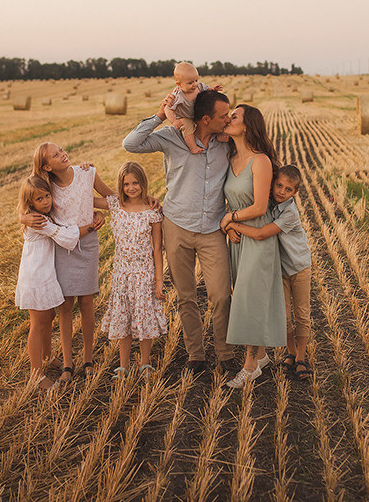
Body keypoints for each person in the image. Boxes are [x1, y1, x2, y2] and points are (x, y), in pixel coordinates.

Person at [122, 89, 240, 375]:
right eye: (223, 115)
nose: (228, 119)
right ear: (204, 118)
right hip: (176, 226)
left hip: (212, 229)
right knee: (186, 296)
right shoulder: (173, 137)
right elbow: (131, 144)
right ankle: (195, 355)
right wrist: (161, 115)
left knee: (221, 295)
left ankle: (225, 354)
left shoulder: (227, 142)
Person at [26, 142, 113, 382]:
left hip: (87, 245)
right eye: (56, 155)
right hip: (63, 248)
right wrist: (22, 217)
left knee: (86, 303)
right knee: (65, 307)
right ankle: (67, 363)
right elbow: (26, 200)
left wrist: (138, 201)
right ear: (46, 166)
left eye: (62, 150)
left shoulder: (87, 173)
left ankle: (88, 358)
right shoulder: (47, 187)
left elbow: (109, 197)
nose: (63, 155)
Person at [223, 164, 313, 380]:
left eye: (288, 189)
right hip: (278, 268)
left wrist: (231, 223)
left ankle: (301, 356)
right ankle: (290, 353)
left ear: (296, 193)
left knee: (301, 314)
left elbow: (263, 233)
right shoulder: (268, 202)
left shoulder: (289, 212)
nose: (282, 191)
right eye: (279, 185)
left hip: (299, 267)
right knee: (284, 316)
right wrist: (231, 226)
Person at [14, 173, 104, 386]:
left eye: (47, 196)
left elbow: (71, 208)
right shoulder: (39, 220)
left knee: (48, 317)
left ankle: (47, 357)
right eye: (40, 199)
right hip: (36, 277)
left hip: (46, 273)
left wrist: (93, 211)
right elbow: (64, 236)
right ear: (30, 203)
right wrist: (91, 226)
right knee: (38, 324)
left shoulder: (44, 214)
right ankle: (37, 374)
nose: (46, 201)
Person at [219, 104, 285, 389]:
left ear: (247, 126)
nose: (228, 119)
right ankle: (261, 356)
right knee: (246, 293)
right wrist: (231, 225)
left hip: (258, 238)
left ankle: (249, 368)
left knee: (249, 299)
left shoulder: (261, 162)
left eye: (234, 116)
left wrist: (230, 219)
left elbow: (259, 207)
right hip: (238, 238)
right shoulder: (231, 156)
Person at [100, 161, 168, 380]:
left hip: (144, 273)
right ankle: (123, 366)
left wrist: (159, 281)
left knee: (144, 317)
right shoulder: (115, 206)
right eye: (126, 183)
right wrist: (87, 171)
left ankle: (145, 364)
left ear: (143, 183)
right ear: (121, 185)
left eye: (135, 183)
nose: (131, 188)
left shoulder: (152, 211)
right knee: (125, 318)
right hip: (122, 274)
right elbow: (82, 198)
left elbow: (157, 248)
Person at [163, 61, 227, 154]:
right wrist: (174, 121)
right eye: (190, 83)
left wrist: (212, 89)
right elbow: (168, 109)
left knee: (211, 121)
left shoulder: (199, 86)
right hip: (185, 117)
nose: (195, 84)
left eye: (196, 80)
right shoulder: (178, 96)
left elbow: (206, 89)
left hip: (197, 113)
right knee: (188, 127)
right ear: (179, 84)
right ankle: (193, 147)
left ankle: (218, 135)